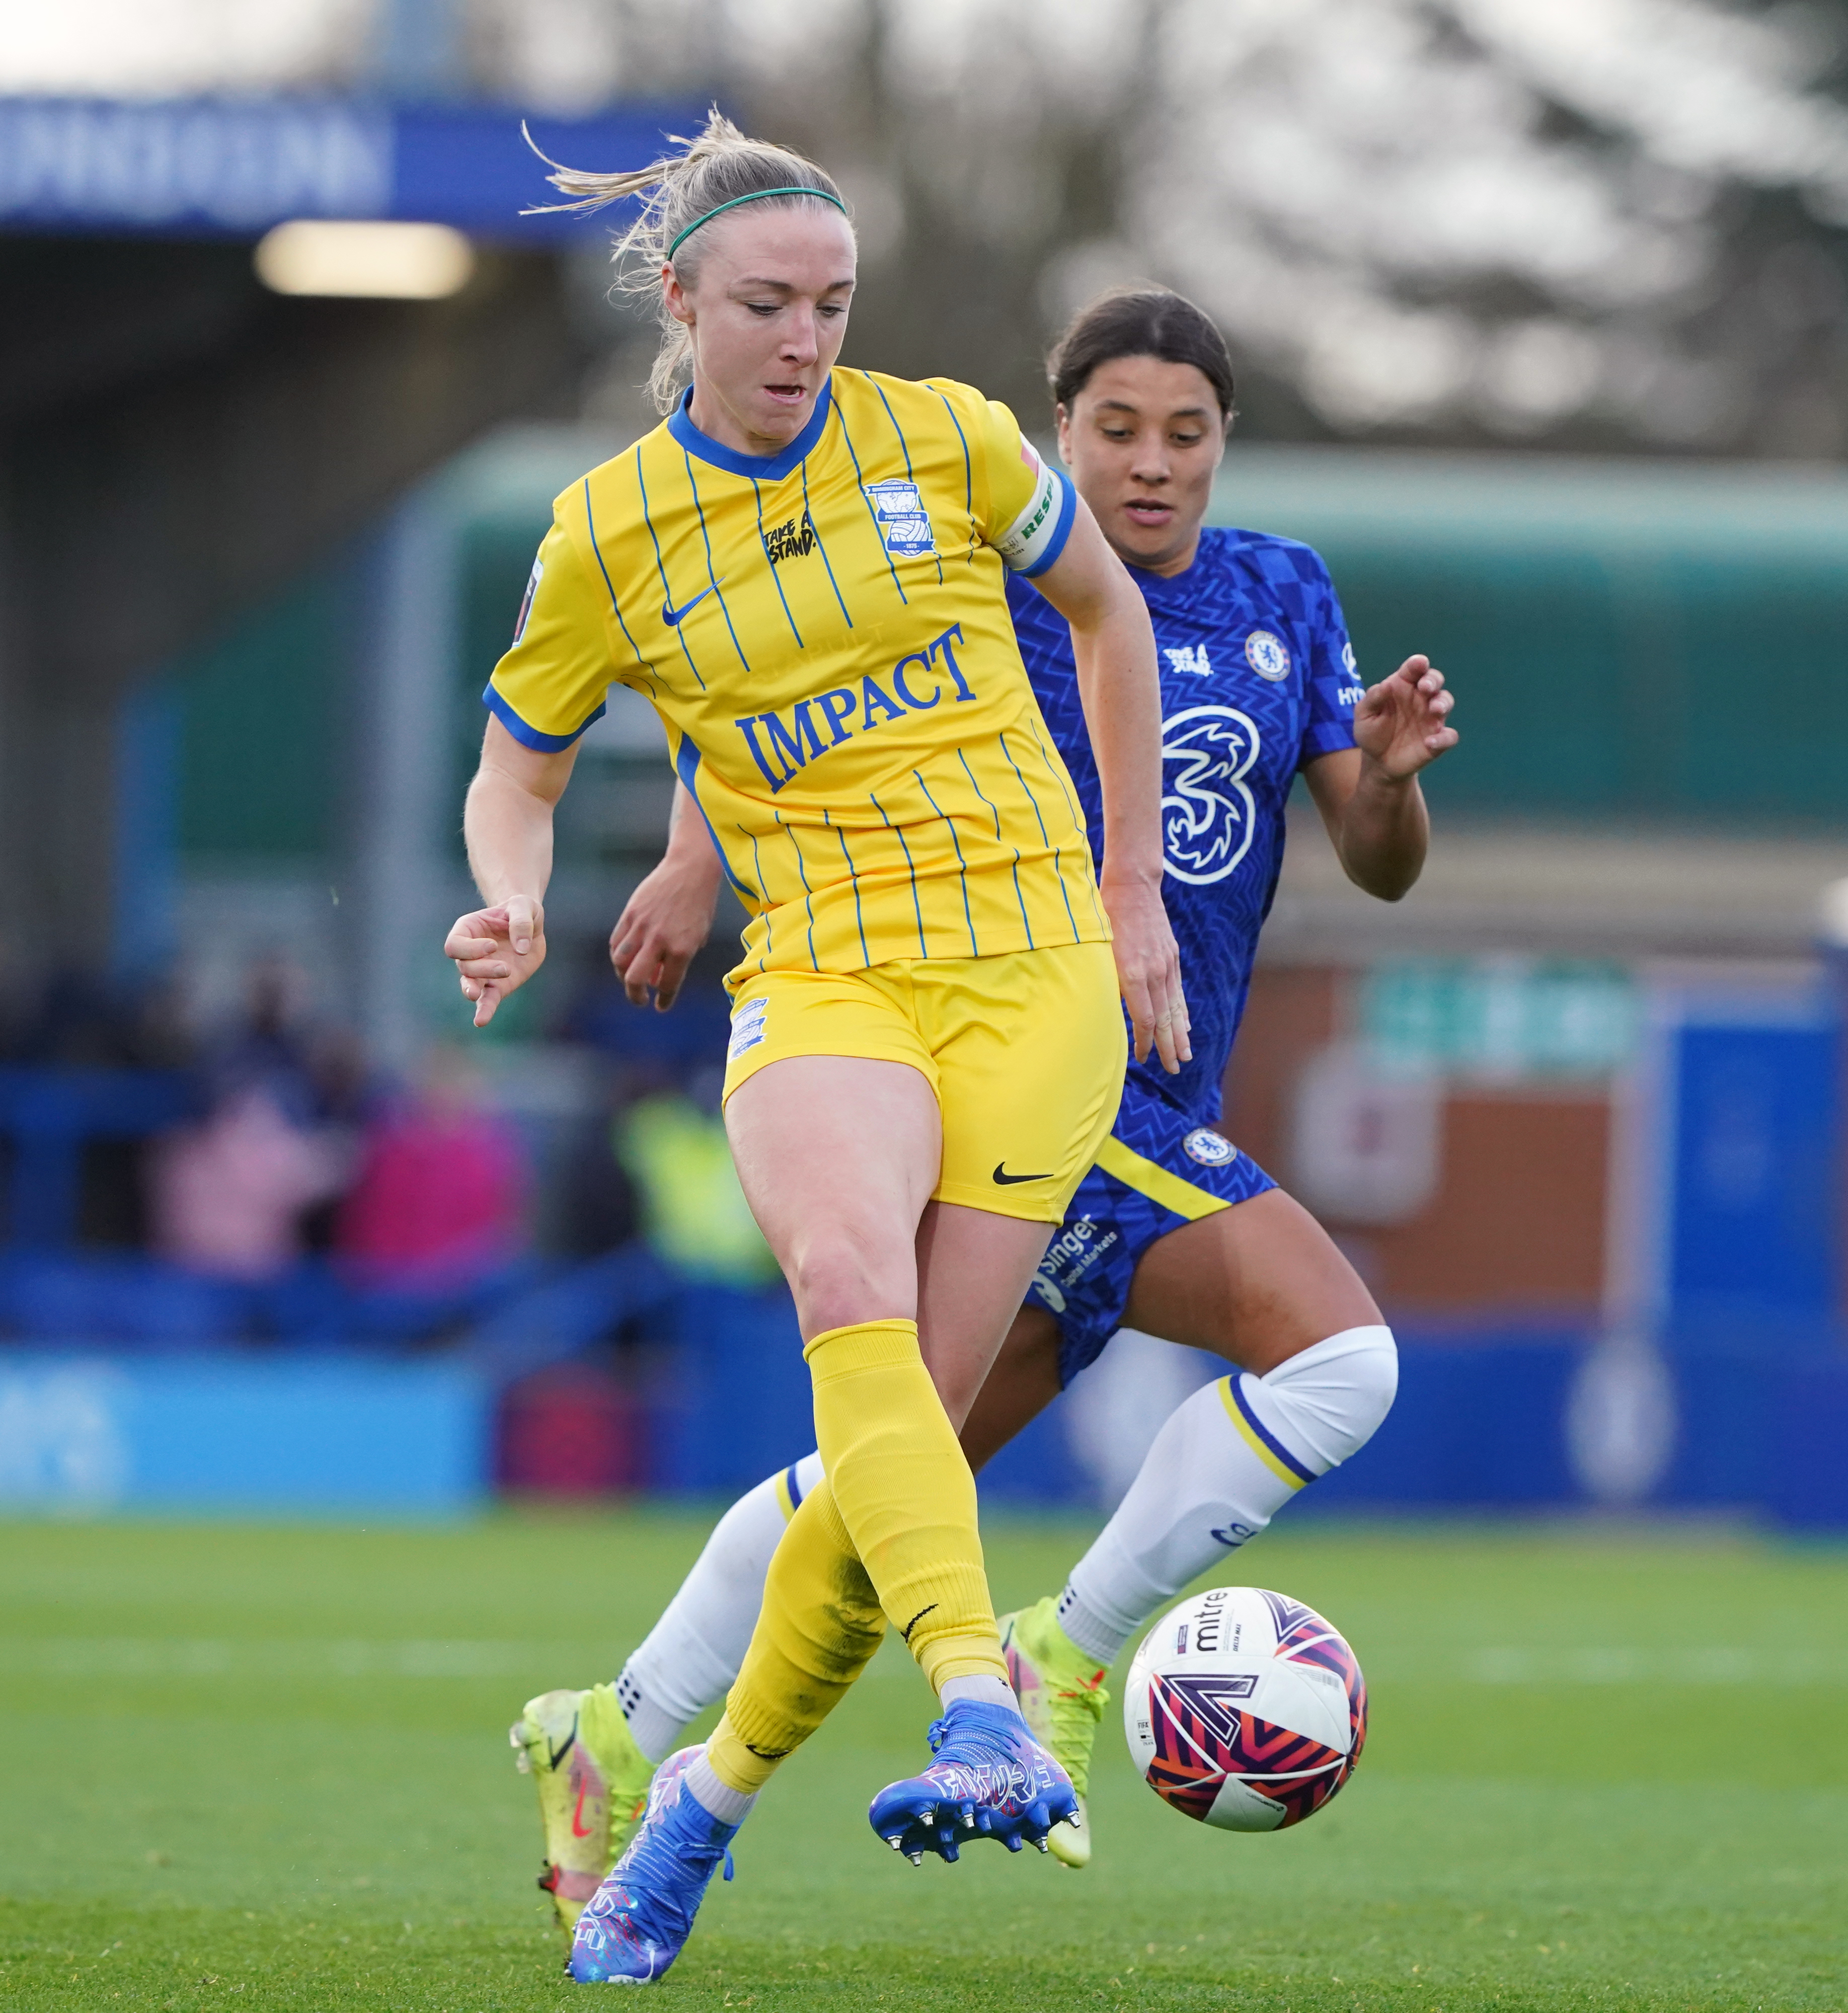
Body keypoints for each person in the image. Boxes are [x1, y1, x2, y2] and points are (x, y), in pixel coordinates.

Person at [508, 285, 1457, 1909]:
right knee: (1340, 1360)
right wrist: (688, 857)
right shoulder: (990, 557)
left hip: (1164, 1077)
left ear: (1224, 442)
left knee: (890, 1482)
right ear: (1059, 430)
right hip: (1027, 1058)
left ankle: (616, 1726)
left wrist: (1384, 781)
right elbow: (769, 686)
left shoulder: (1283, 593)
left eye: (1187, 434)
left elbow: (1380, 870)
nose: (1151, 463)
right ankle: (1063, 1652)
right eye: (1117, 429)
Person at [446, 114, 1185, 1983]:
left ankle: (688, 1809)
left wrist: (1132, 888)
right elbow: (515, 773)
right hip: (828, 970)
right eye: (768, 303)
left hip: (1034, 975)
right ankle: (983, 1705)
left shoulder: (949, 436)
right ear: (680, 301)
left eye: (833, 304)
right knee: (847, 1280)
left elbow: (1109, 613)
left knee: (892, 1457)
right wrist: (511, 897)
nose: (805, 338)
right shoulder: (605, 534)